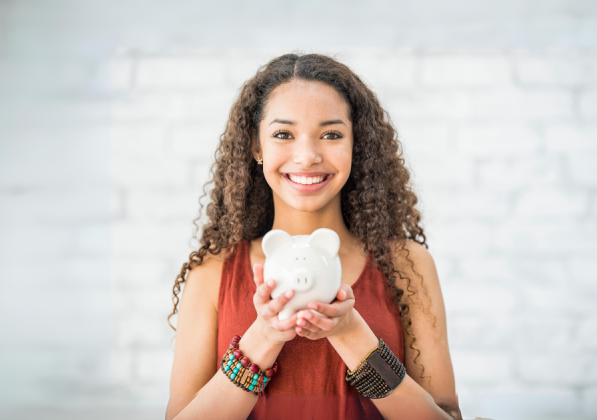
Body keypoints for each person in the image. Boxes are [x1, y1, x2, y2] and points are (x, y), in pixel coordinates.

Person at [165, 53, 462, 420]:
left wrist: (352, 335)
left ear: (357, 145)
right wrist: (265, 337)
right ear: (256, 147)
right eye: (283, 134)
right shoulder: (212, 273)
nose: (306, 156)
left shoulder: (408, 265)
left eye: (332, 134)